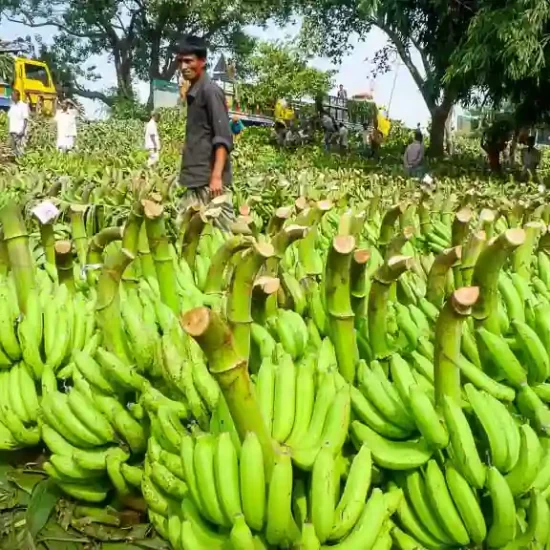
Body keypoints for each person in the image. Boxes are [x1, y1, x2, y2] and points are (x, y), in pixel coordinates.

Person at [176, 35, 235, 231]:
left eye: (188, 61)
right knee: (185, 232)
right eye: (180, 61)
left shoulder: (210, 91)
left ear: (202, 61)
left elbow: (223, 138)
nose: (183, 66)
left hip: (209, 182)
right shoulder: (194, 91)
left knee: (223, 236)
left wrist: (217, 176)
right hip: (195, 180)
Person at [7, 90, 29, 157]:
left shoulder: (23, 106)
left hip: (19, 131)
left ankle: (21, 162)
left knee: (20, 149)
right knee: (14, 150)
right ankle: (15, 164)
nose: (11, 97)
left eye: (13, 96)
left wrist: (23, 130)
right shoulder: (12, 106)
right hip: (12, 131)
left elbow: (25, 119)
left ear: (17, 96)